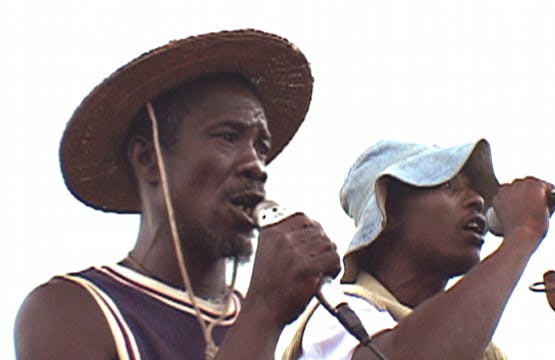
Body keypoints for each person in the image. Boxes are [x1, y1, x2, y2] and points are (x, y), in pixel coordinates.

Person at [14, 29, 340, 360]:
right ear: (148, 159)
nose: (256, 165)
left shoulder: (274, 323)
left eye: (261, 146)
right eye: (228, 137)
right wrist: (264, 311)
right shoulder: (70, 311)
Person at [283, 139, 555, 359]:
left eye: (475, 191)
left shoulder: (480, 351)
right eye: (448, 186)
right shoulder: (338, 312)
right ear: (390, 211)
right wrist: (522, 235)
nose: (478, 200)